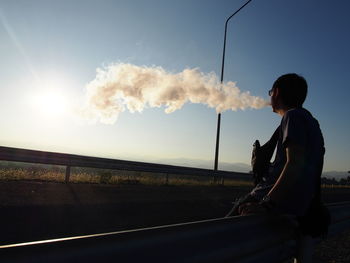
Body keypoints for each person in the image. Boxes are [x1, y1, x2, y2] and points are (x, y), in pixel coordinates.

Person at [227, 73, 325, 218]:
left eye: (270, 92)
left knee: (217, 235)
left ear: (277, 92)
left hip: (270, 200)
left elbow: (295, 163)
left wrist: (267, 203)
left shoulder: (292, 116)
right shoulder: (311, 121)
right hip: (297, 203)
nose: (269, 97)